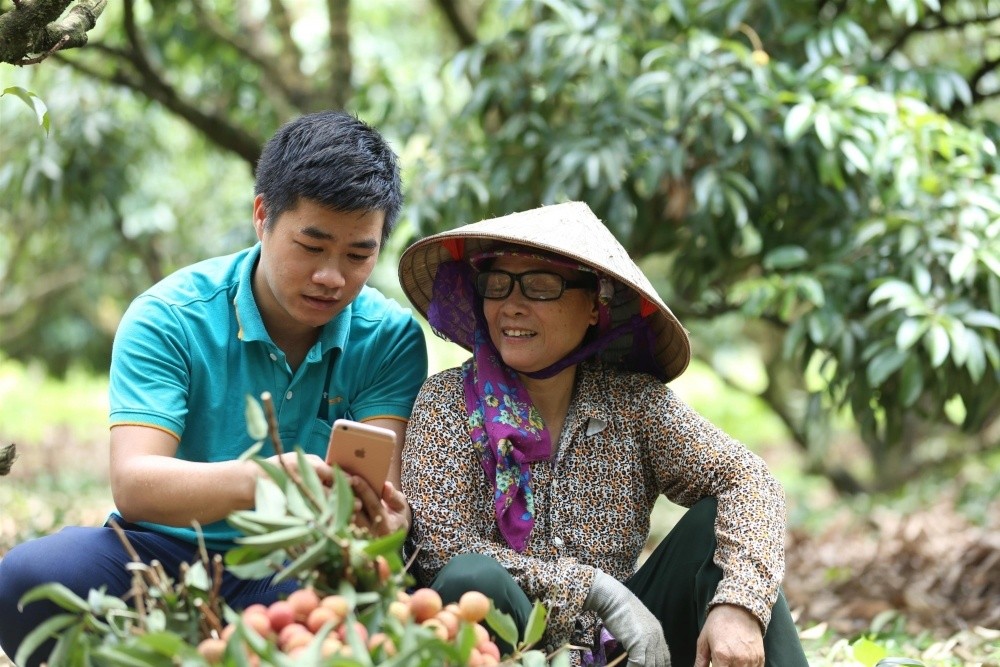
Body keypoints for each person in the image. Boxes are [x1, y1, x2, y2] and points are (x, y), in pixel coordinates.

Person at [0, 110, 428, 666]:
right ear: (261, 215)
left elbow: (375, 494)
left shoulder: (389, 338)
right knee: (27, 580)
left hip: (297, 570)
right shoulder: (169, 317)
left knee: (351, 617)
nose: (331, 276)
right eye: (311, 245)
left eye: (358, 255)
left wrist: (386, 526)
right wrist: (267, 481)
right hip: (161, 555)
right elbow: (135, 483)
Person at [397, 201, 808, 667]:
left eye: (540, 285)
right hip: (513, 653)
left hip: (631, 651)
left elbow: (748, 480)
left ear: (594, 306)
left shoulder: (633, 404)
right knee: (471, 577)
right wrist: (594, 589)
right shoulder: (447, 403)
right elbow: (441, 548)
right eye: (497, 284)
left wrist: (739, 604)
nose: (512, 304)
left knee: (717, 531)